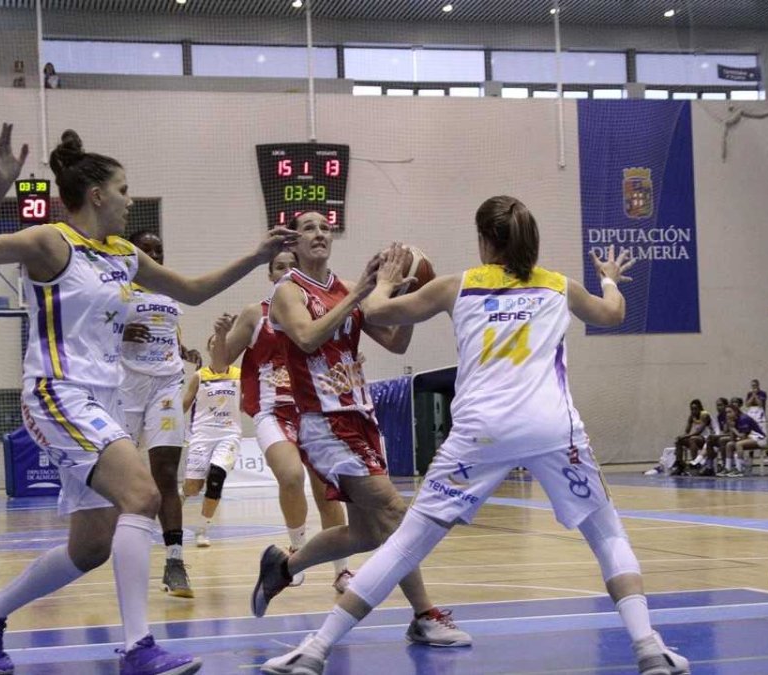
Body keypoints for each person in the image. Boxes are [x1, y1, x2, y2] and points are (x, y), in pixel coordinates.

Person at [260, 197, 689, 675]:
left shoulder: (457, 285)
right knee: (607, 534)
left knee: (406, 542)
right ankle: (648, 647)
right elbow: (612, 314)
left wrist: (385, 282)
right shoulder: (557, 285)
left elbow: (376, 312)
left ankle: (315, 649)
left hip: (480, 432)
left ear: (484, 241)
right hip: (552, 427)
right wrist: (608, 277)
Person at [0, 125, 295, 675]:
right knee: (143, 495)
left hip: (102, 399)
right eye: (124, 190)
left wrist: (255, 257)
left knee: (91, 547)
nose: (130, 200)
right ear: (97, 195)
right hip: (57, 392)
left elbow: (192, 291)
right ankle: (138, 647)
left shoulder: (124, 255)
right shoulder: (50, 242)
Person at [248, 211, 469, 649]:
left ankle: (283, 567)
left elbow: (396, 342)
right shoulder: (288, 291)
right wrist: (359, 295)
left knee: (367, 533)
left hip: (361, 417)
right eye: (309, 228)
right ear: (295, 241)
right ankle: (423, 615)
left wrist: (405, 295)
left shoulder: (347, 288)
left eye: (325, 228)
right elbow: (307, 338)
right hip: (323, 422)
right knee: (393, 511)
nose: (319, 233)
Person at [210, 249, 353, 592]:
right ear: (271, 275)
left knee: (327, 490)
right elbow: (218, 364)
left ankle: (342, 571)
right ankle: (297, 551)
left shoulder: (319, 310)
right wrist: (221, 337)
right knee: (290, 476)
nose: (287, 271)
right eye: (280, 267)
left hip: (316, 409)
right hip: (272, 410)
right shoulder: (255, 314)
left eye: (293, 266)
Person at [118, 231, 194, 598]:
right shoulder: (116, 290)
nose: (153, 254)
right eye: (145, 249)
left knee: (165, 472)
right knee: (122, 477)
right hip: (126, 387)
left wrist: (184, 351)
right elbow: (89, 334)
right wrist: (119, 331)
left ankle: (175, 562)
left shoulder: (170, 292)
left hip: (166, 386)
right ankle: (118, 547)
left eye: (158, 249)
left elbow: (167, 335)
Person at [180, 335, 241, 549]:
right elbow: (184, 405)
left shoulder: (239, 375)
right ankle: (183, 493)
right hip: (202, 435)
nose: (217, 345)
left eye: (221, 342)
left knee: (216, 476)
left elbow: (249, 402)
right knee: (193, 487)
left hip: (229, 434)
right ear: (209, 348)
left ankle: (203, 530)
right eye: (213, 343)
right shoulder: (200, 376)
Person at [722, 403, 765, 477]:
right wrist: (731, 427)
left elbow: (743, 437)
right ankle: (728, 468)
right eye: (726, 412)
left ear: (735, 411)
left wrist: (733, 428)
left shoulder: (743, 418)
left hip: (759, 438)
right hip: (749, 438)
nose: (727, 414)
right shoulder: (733, 420)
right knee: (729, 444)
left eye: (729, 412)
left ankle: (739, 469)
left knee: (739, 444)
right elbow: (733, 439)